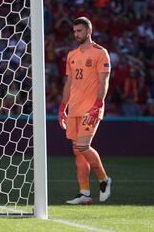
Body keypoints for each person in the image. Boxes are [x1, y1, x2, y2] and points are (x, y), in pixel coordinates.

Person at [59, 17, 112, 205]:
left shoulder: (100, 53)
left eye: (79, 31)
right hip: (73, 108)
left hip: (91, 108)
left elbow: (104, 81)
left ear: (89, 31)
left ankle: (104, 179)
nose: (76, 35)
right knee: (77, 152)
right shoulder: (72, 55)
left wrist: (98, 103)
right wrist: (62, 107)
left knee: (83, 146)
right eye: (74, 31)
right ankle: (84, 193)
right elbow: (69, 83)